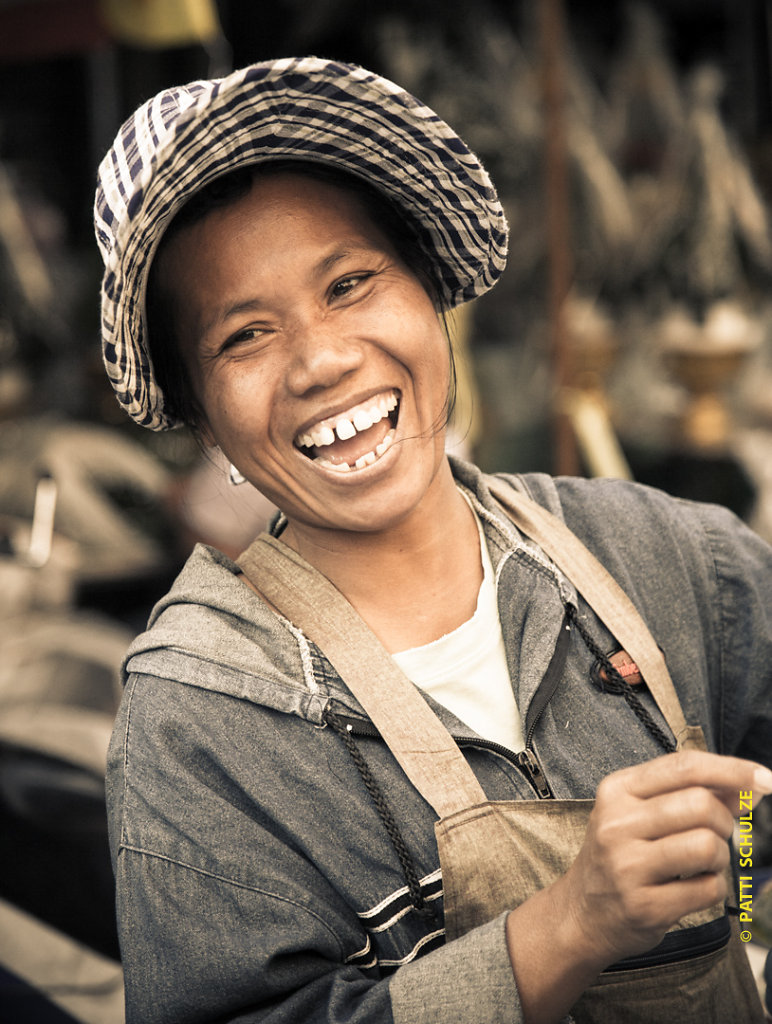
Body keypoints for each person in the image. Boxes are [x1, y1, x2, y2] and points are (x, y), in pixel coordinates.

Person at [95, 57, 772, 1024]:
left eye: (350, 282)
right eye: (244, 336)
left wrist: (739, 883)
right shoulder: (199, 730)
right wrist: (569, 926)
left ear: (430, 290)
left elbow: (755, 828)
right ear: (201, 419)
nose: (322, 360)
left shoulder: (657, 554)